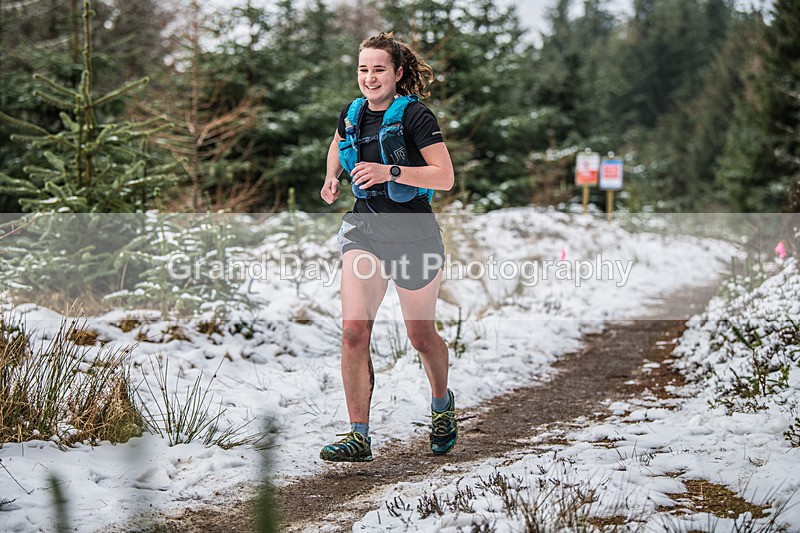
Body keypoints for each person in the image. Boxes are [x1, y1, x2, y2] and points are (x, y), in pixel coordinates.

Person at [319, 32, 456, 462]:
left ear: (397, 73)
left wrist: (390, 171)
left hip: (415, 235)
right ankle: (358, 434)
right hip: (365, 230)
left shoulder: (415, 116)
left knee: (421, 336)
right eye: (363, 69)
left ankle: (441, 404)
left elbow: (444, 176)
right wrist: (332, 177)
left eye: (378, 69)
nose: (370, 77)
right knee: (353, 332)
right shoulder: (352, 113)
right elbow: (337, 143)